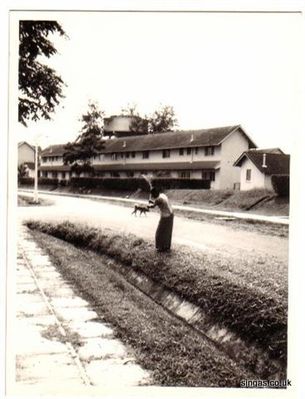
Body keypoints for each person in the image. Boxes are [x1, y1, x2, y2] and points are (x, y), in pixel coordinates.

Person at [148, 187, 174, 252]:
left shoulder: (158, 199)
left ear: (155, 193)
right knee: (167, 232)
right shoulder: (162, 195)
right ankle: (166, 247)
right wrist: (152, 202)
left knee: (159, 232)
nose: (153, 196)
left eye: (153, 195)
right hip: (171, 214)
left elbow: (153, 206)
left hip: (165, 216)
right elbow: (157, 202)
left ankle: (160, 247)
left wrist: (148, 205)